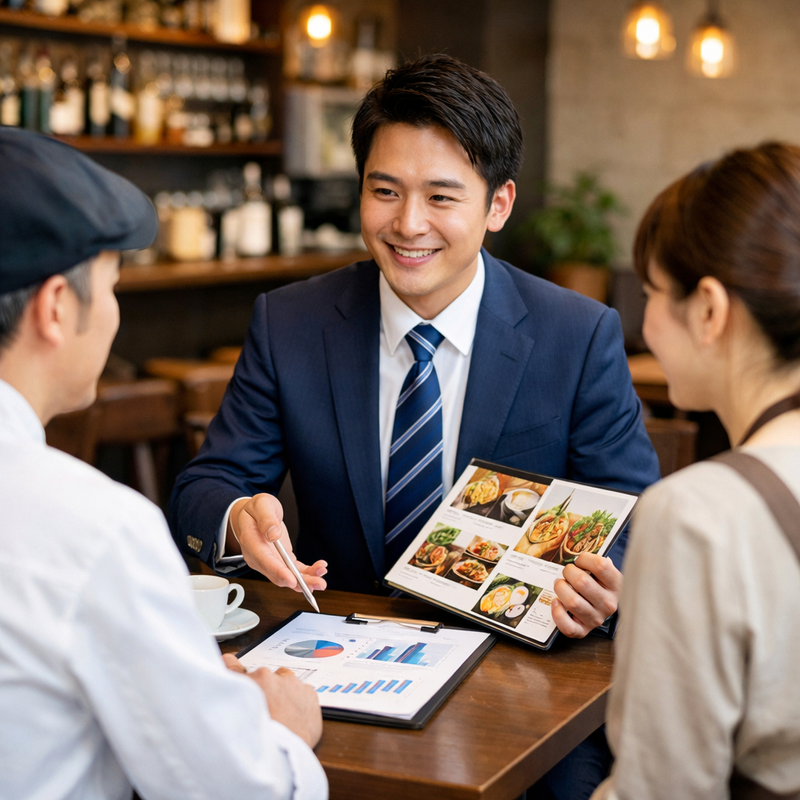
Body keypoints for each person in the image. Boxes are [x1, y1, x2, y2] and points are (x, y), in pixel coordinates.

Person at [170, 55, 659, 640]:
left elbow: (632, 516)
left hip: (514, 667)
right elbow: (205, 487)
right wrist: (238, 519)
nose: (407, 224)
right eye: (385, 191)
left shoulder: (576, 336)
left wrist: (605, 586)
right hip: (339, 654)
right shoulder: (291, 323)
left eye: (441, 198)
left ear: (497, 205)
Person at [0, 128, 327, 800]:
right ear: (57, 307)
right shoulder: (95, 530)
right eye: (112, 287)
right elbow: (242, 789)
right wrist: (286, 729)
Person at [591, 142, 800, 800]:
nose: (645, 320)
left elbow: (663, 788)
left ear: (708, 309)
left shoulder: (696, 514)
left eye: (652, 291)